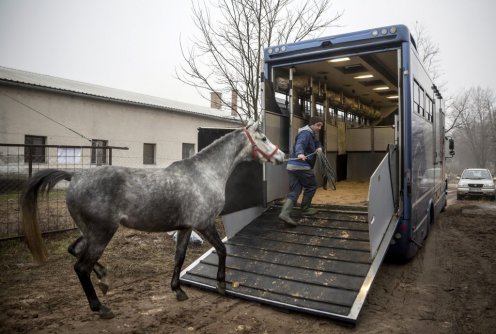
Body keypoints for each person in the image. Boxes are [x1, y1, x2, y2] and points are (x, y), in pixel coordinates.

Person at [279, 116, 323, 226]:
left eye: (321, 125)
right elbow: (300, 144)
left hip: (291, 167)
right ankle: (305, 208)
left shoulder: (312, 135)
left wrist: (319, 148)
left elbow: (317, 143)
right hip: (301, 165)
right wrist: (299, 153)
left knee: (295, 190)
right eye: (318, 125)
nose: (320, 127)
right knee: (311, 185)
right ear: (311, 124)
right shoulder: (306, 134)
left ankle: (284, 213)